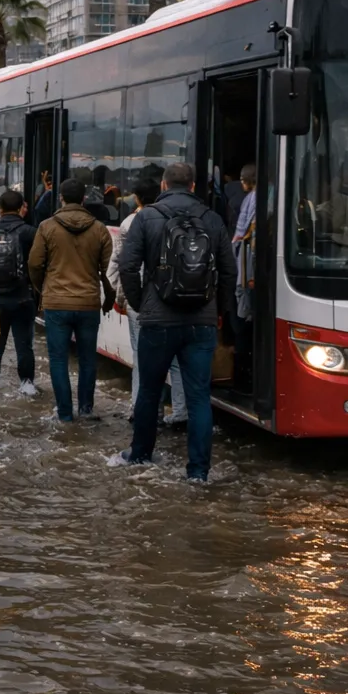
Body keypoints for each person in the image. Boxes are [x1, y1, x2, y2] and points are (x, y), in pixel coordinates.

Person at [118, 162, 236, 479]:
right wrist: (219, 311)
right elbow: (229, 272)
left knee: (149, 391)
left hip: (157, 320)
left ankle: (140, 456)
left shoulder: (146, 217)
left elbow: (128, 267)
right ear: (194, 186)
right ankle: (198, 471)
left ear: (165, 186)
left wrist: (140, 304)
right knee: (198, 397)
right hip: (202, 322)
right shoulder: (212, 219)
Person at [27, 176, 115, 422]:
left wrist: (42, 290)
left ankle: (64, 414)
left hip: (56, 303)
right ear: (84, 199)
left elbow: (34, 264)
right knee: (88, 359)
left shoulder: (47, 226)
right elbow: (109, 270)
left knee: (58, 359)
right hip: (88, 303)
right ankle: (86, 410)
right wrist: (108, 299)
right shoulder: (99, 228)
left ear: (61, 198)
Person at [109, 177, 184, 430]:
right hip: (175, 296)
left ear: (137, 198)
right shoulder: (178, 218)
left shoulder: (131, 222)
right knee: (175, 358)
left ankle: (141, 410)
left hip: (141, 299)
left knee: (143, 357)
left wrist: (119, 298)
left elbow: (120, 264)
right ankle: (181, 411)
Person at [0, 187, 38, 399]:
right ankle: (27, 384)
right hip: (23, 298)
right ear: (22, 208)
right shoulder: (30, 232)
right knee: (24, 345)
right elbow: (39, 264)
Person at [231, 163, 257, 393]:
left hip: (247, 270)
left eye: (242, 178)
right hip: (247, 268)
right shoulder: (258, 198)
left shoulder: (253, 200)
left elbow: (245, 238)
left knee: (243, 320)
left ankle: (242, 378)